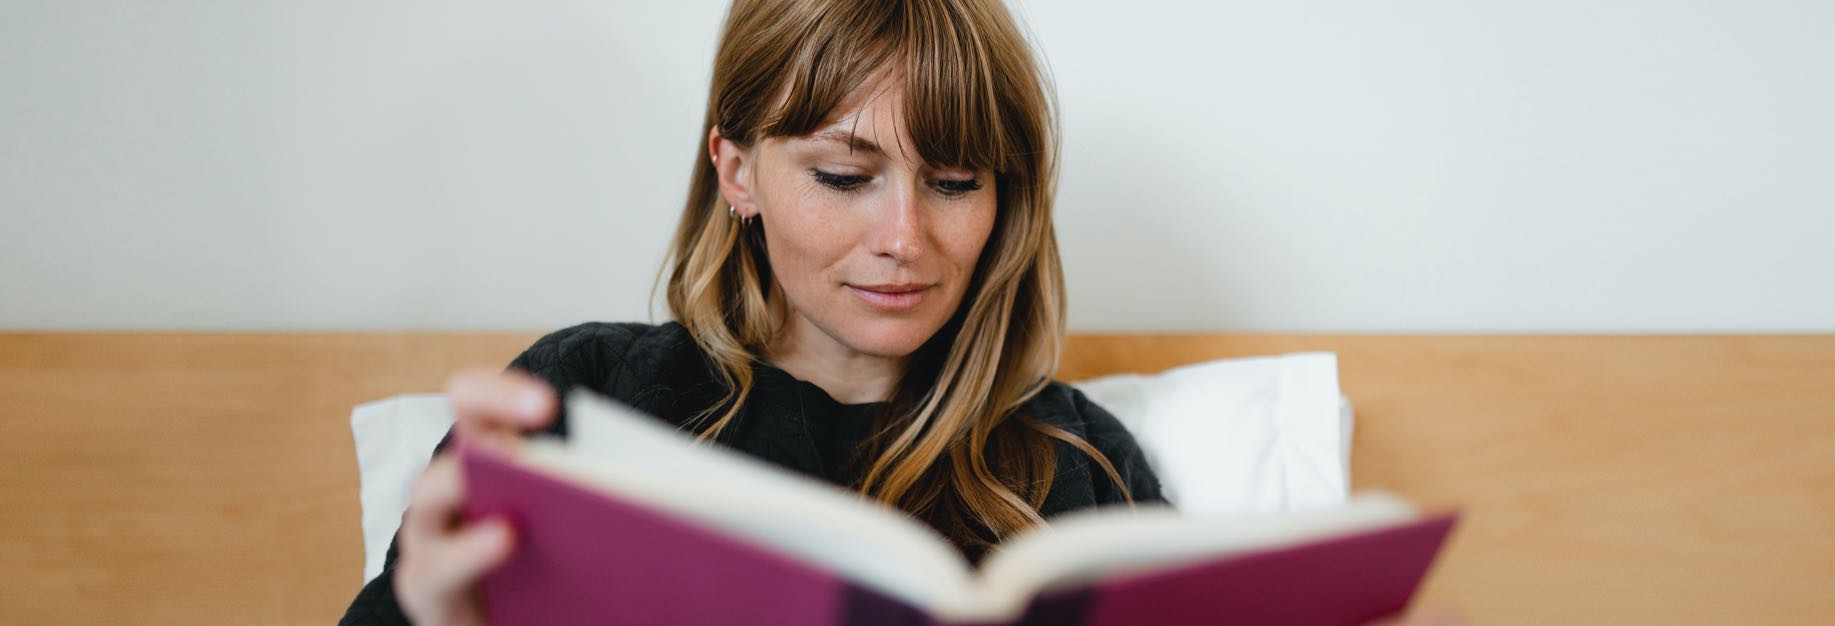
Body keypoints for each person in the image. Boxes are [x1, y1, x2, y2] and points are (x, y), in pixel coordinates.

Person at [342, 1, 1458, 624]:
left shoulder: (1077, 465)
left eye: (956, 181)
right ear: (737, 170)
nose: (905, 238)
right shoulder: (589, 400)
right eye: (842, 175)